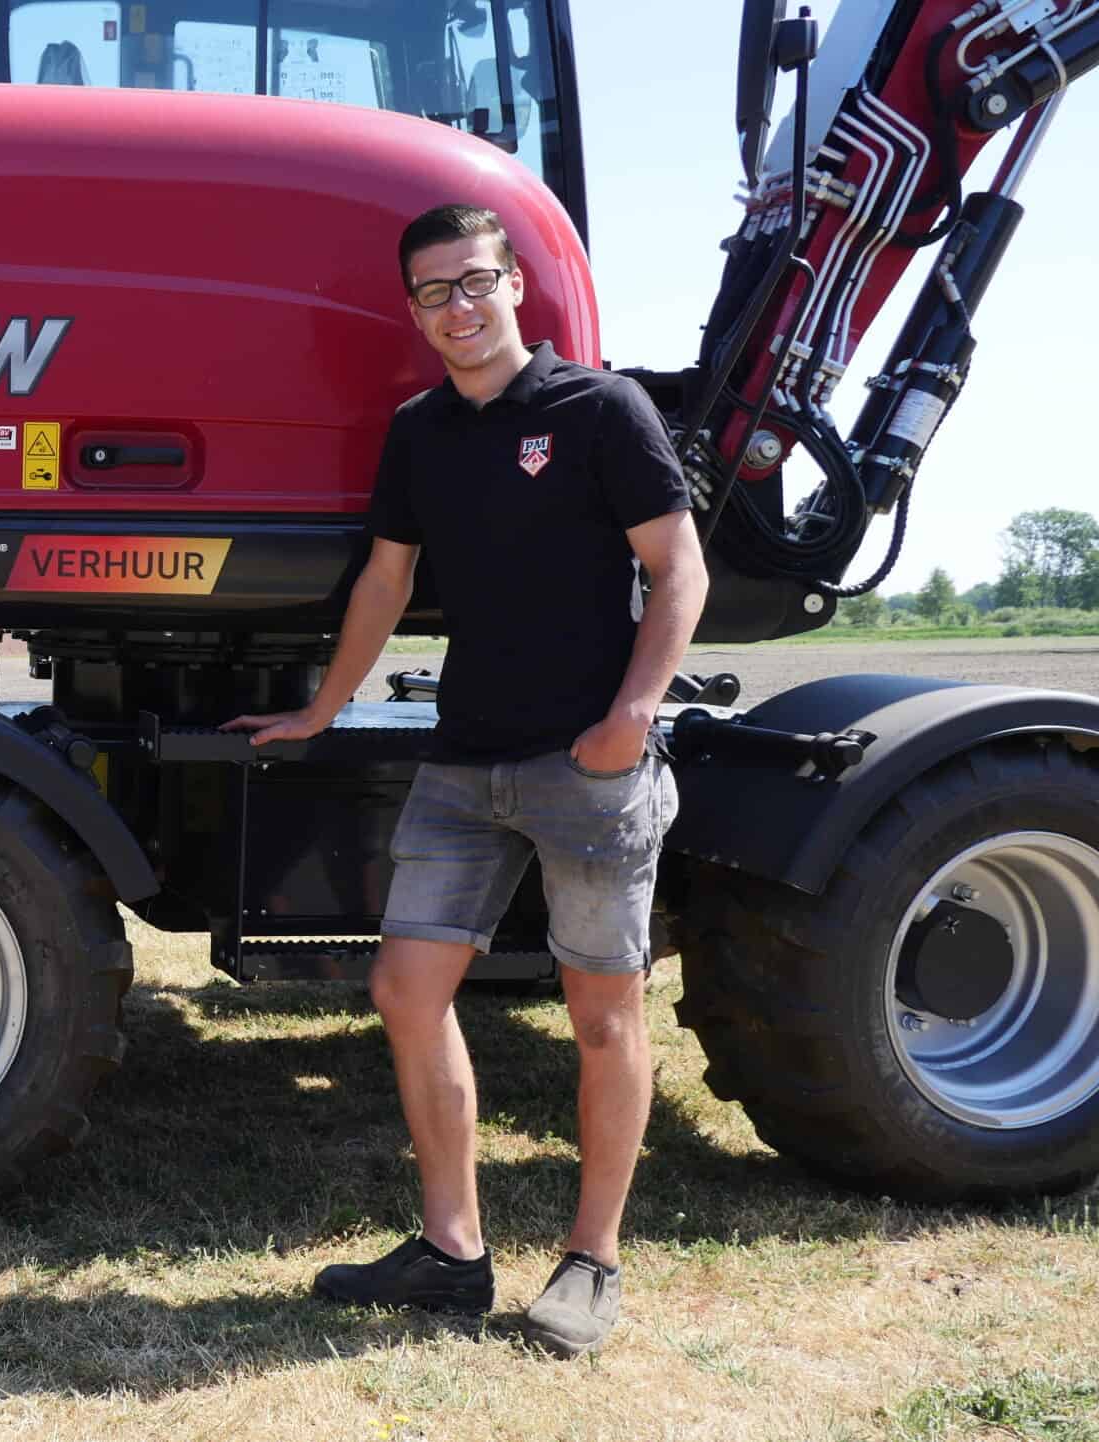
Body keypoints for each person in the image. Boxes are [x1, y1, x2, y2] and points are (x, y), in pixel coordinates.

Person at [224, 203, 707, 1357]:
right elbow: (385, 584)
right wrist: (321, 707)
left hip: (586, 765)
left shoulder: (601, 409)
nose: (458, 306)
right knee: (406, 990)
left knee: (602, 1013)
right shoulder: (420, 431)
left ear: (515, 289)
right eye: (434, 291)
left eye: (475, 281)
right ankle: (452, 1251)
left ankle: (591, 1261)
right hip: (463, 758)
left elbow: (678, 566)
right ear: (414, 311)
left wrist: (632, 715)